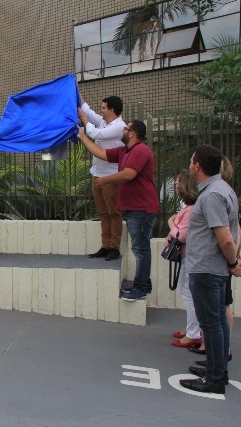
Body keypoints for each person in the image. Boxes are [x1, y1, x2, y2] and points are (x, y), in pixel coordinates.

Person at [179, 145, 241, 394]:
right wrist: (231, 263)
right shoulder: (222, 190)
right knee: (217, 321)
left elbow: (225, 238)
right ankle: (216, 368)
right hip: (214, 268)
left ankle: (215, 377)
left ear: (197, 166)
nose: (189, 165)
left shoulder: (211, 196)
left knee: (211, 324)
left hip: (207, 269)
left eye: (191, 161)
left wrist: (232, 263)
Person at [77, 120, 159, 301]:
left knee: (141, 249)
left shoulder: (140, 150)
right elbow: (101, 153)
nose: (123, 130)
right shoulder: (124, 151)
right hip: (132, 207)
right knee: (140, 248)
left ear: (132, 133)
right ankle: (143, 284)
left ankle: (140, 287)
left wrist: (106, 180)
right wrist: (83, 137)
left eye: (126, 128)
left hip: (142, 208)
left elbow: (129, 174)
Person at [78, 96, 125, 261]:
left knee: (114, 213)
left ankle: (114, 247)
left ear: (112, 110)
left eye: (104, 108)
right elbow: (89, 112)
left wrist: (83, 119)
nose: (102, 110)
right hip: (97, 174)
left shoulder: (119, 127)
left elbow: (96, 133)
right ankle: (105, 245)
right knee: (103, 213)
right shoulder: (104, 122)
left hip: (111, 177)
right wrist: (77, 94)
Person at [166, 170, 200, 348]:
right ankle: (192, 329)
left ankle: (194, 332)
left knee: (189, 294)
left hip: (190, 256)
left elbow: (181, 235)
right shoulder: (189, 208)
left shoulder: (191, 210)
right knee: (188, 292)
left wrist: (171, 223)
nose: (176, 186)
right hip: (189, 255)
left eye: (178, 183)